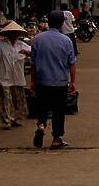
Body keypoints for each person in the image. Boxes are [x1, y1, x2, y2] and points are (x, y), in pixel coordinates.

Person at [30, 10, 76, 149]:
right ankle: (56, 138)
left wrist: (32, 81)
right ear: (62, 23)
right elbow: (71, 63)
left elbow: (33, 64)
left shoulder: (37, 39)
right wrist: (73, 81)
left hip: (42, 80)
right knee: (58, 110)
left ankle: (41, 125)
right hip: (59, 81)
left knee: (42, 106)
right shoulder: (66, 40)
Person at [0, 20, 30, 130]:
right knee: (6, 99)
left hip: (17, 77)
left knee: (17, 99)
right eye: (11, 33)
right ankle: (7, 120)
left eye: (15, 33)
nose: (13, 35)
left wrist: (27, 53)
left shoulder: (23, 45)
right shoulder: (1, 46)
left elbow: (35, 55)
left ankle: (15, 118)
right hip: (5, 76)